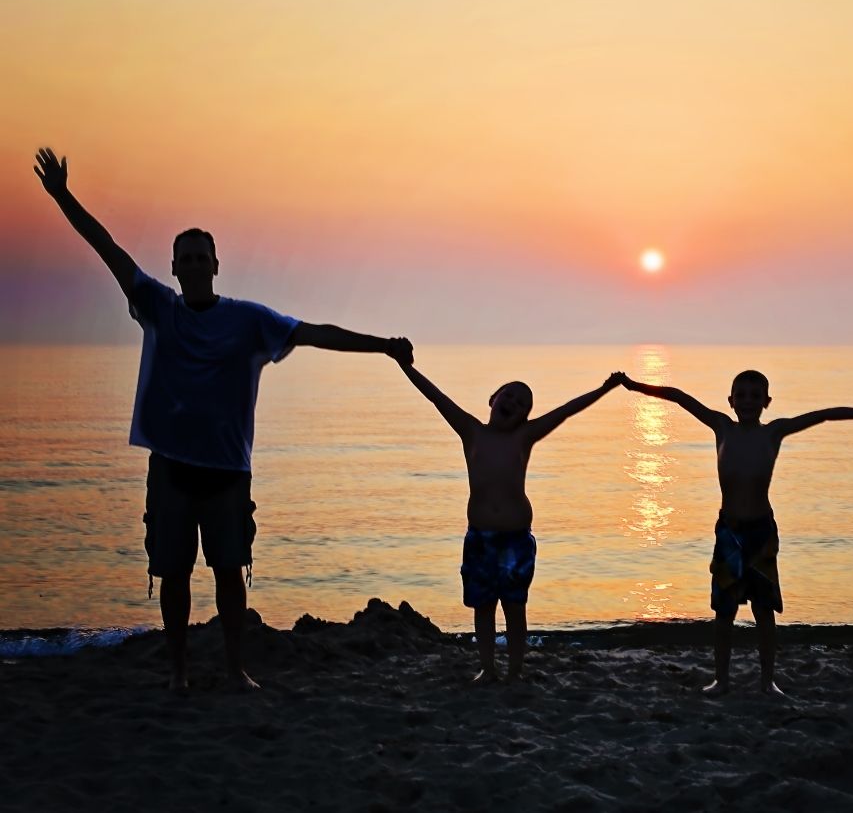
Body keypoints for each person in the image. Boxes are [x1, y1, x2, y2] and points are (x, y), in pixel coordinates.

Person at [34, 147, 413, 693]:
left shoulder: (248, 320)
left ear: (215, 265)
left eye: (199, 257)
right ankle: (180, 674)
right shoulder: (158, 307)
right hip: (171, 468)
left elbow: (314, 332)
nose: (191, 265)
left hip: (228, 472)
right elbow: (107, 249)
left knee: (230, 574)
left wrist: (383, 347)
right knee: (173, 575)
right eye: (182, 258)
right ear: (173, 268)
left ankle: (235, 669)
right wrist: (63, 196)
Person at [619, 369, 853, 695]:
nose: (748, 402)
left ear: (767, 402)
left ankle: (767, 681)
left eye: (755, 396)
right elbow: (679, 397)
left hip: (761, 531)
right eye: (741, 396)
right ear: (730, 401)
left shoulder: (774, 432)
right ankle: (721, 679)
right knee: (724, 611)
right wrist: (634, 386)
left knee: (763, 610)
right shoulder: (721, 426)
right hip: (729, 532)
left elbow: (824, 415)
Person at [393, 355, 623, 683]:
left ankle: (515, 671)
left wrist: (604, 388)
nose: (513, 403)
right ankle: (487, 668)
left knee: (515, 609)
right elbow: (435, 396)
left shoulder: (524, 437)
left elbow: (567, 410)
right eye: (509, 395)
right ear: (493, 399)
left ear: (525, 417)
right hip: (480, 539)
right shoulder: (470, 431)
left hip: (515, 539)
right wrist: (405, 364)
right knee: (483, 608)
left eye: (522, 403)